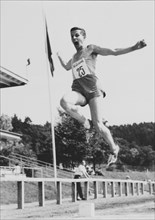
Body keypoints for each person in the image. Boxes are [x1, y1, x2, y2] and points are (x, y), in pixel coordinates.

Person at [57, 27, 147, 167]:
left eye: (76, 35)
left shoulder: (91, 49)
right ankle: (84, 122)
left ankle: (113, 148)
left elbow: (114, 52)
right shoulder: (74, 57)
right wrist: (57, 57)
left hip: (92, 89)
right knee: (64, 102)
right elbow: (66, 67)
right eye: (72, 37)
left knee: (98, 125)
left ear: (83, 36)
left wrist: (134, 47)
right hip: (78, 90)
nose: (74, 38)